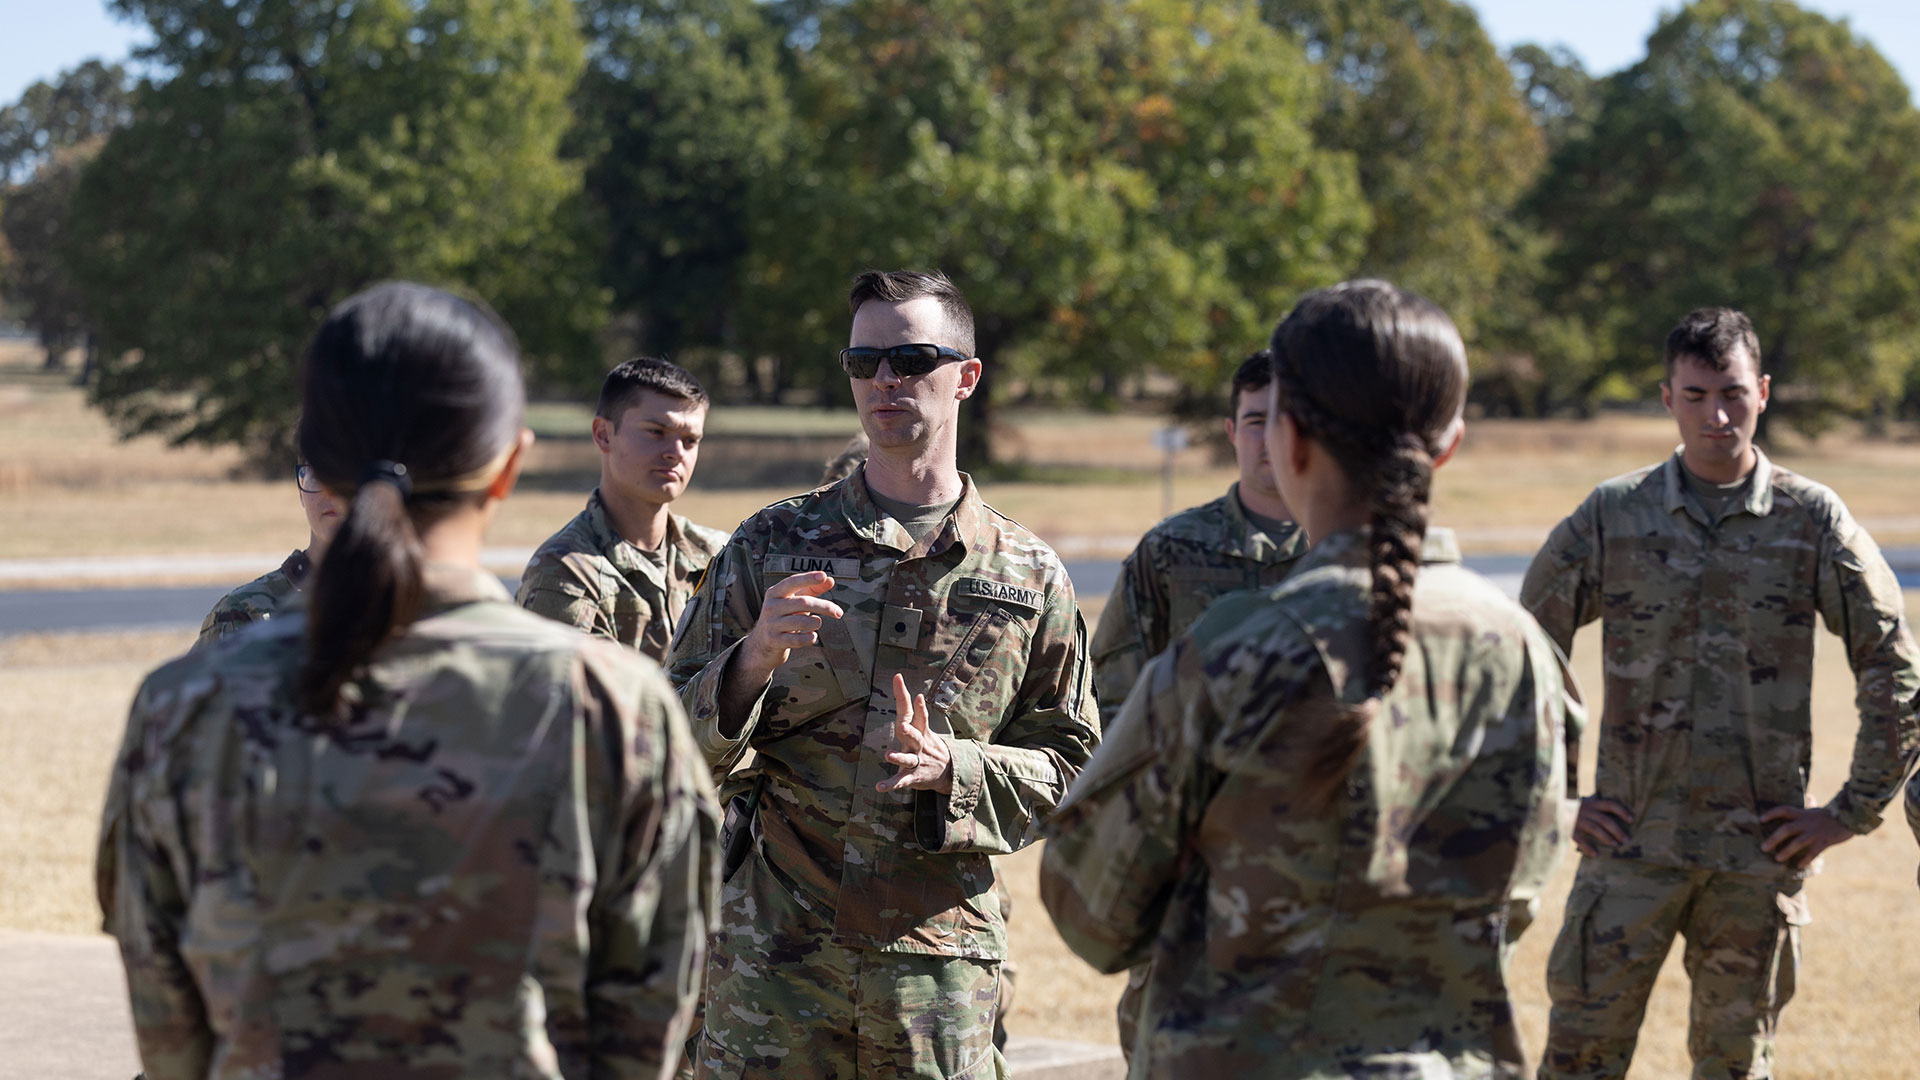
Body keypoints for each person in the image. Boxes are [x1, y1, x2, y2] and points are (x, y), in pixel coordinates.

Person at [97, 282, 721, 1079]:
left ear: (317, 464)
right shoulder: (615, 708)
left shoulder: (181, 707)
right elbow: (648, 1034)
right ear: (508, 467)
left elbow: (170, 1038)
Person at [1040, 279, 1579, 1076]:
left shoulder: (1237, 648)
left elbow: (1094, 914)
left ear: (1288, 440)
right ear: (1450, 444)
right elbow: (1518, 900)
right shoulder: (1525, 651)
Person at [667, 268, 1099, 1079]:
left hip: (934, 977)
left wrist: (958, 769)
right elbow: (664, 743)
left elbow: (1076, 767)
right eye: (863, 364)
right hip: (775, 971)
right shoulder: (770, 545)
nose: (884, 382)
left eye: (910, 359)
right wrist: (749, 663)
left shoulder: (1029, 574)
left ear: (967, 376)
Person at [1526, 308, 1920, 1080]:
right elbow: (1516, 645)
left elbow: (1892, 661)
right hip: (1628, 850)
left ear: (1763, 392)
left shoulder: (1812, 520)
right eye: (1697, 393)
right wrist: (1554, 796)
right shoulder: (1615, 515)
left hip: (1756, 860)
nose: (1717, 415)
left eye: (1734, 393)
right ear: (1667, 396)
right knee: (1578, 1063)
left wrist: (1851, 811)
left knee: (1735, 1070)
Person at [1088, 348, 1309, 1056]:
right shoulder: (1173, 553)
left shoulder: (1355, 553)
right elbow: (1113, 697)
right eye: (1254, 420)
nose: (1270, 437)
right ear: (1230, 429)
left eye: (1288, 420)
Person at [518, 356, 729, 661]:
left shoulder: (718, 556)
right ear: (604, 435)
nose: (676, 453)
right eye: (656, 432)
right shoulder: (565, 573)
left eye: (690, 440)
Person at [191, 462, 343, 648]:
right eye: (318, 476)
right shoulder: (243, 615)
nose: (331, 492)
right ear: (300, 489)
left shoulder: (388, 609)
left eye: (350, 474)